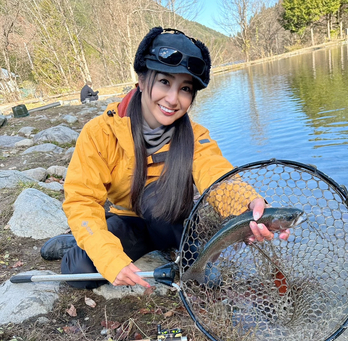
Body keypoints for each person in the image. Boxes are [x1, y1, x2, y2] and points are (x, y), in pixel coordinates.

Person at [41, 27, 289, 289]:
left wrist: (246, 205)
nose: (173, 99)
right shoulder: (98, 133)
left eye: (185, 88)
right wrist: (108, 257)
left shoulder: (194, 136)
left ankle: (185, 249)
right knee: (78, 271)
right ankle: (76, 241)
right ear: (142, 79)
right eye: (164, 82)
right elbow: (82, 200)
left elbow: (217, 175)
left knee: (156, 197)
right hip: (128, 220)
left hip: (170, 219)